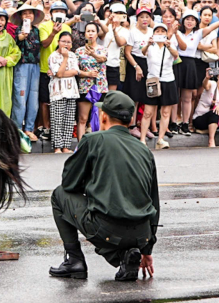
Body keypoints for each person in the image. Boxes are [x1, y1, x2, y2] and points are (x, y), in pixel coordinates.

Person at [49, 91, 159, 282]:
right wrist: (147, 249)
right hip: (142, 235)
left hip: (108, 230)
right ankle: (126, 257)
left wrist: (92, 184)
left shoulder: (93, 140)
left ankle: (74, 260)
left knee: (59, 195)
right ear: (130, 119)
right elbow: (154, 202)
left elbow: (69, 183)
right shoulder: (144, 150)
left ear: (103, 116)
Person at [38, 1, 73, 140]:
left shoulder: (67, 28)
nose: (59, 13)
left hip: (63, 70)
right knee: (45, 100)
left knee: (60, 99)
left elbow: (68, 47)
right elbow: (44, 44)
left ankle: (57, 128)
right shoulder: (44, 26)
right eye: (56, 10)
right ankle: (47, 128)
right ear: (51, 13)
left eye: (63, 11)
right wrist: (53, 32)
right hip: (45, 69)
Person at [11, 4, 44, 141]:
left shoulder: (36, 30)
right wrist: (20, 38)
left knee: (33, 98)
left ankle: (29, 128)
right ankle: (17, 129)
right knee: (20, 97)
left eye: (30, 13)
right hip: (22, 65)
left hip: (35, 66)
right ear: (21, 16)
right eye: (25, 14)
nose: (28, 16)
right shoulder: (17, 30)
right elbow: (13, 45)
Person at [75, 23, 107, 144]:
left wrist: (92, 53)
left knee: (99, 118)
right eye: (88, 31)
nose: (91, 33)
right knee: (83, 118)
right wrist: (87, 74)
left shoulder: (102, 49)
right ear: (85, 34)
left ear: (97, 33)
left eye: (93, 31)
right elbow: (76, 71)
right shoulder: (79, 51)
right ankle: (81, 145)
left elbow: (102, 59)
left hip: (100, 87)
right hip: (85, 87)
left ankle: (98, 144)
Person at [48, 32, 79, 154]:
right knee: (57, 119)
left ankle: (66, 146)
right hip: (58, 92)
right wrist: (65, 59)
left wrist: (61, 73)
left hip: (71, 91)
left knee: (69, 119)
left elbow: (75, 71)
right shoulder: (53, 56)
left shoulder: (73, 55)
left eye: (68, 42)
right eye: (63, 41)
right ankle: (57, 147)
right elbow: (59, 74)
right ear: (58, 42)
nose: (66, 44)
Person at [103, 3, 129, 91]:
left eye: (121, 13)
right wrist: (108, 22)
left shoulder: (125, 31)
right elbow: (100, 35)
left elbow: (120, 43)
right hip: (100, 62)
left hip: (113, 64)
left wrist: (114, 31)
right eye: (116, 12)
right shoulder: (103, 23)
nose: (118, 15)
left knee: (111, 93)